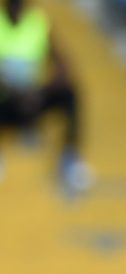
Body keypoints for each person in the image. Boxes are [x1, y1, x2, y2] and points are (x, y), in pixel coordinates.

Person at [0, 0, 89, 194]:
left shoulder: (37, 23)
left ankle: (69, 157)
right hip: (5, 100)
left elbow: (63, 66)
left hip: (32, 98)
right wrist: (16, 93)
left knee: (68, 94)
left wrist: (41, 92)